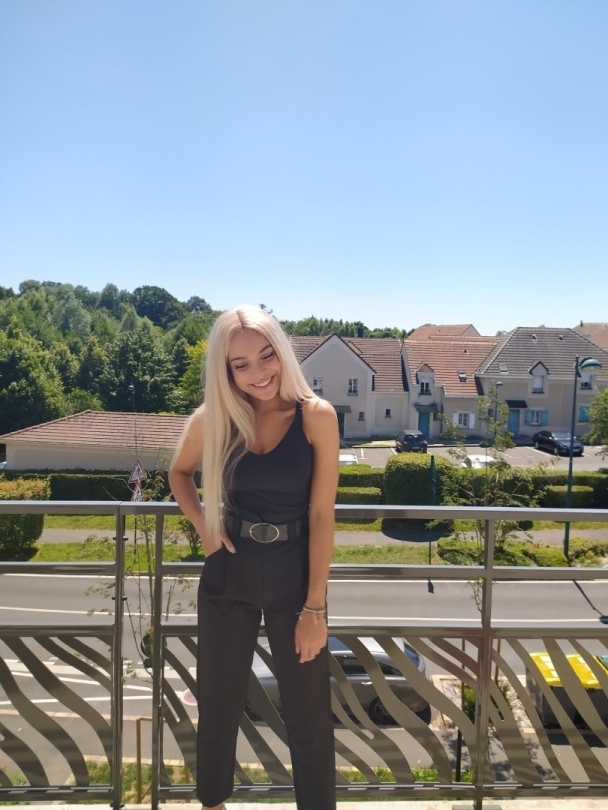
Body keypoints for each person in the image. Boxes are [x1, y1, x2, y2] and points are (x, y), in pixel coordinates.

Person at [169, 304, 339, 810]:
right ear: (226, 371)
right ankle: (212, 802)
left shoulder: (316, 416)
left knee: (309, 712)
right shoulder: (216, 418)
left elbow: (322, 515)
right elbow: (179, 473)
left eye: (266, 356)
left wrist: (315, 607)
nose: (259, 372)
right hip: (231, 571)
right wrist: (206, 528)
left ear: (282, 351)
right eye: (240, 364)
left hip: (294, 576)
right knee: (219, 701)